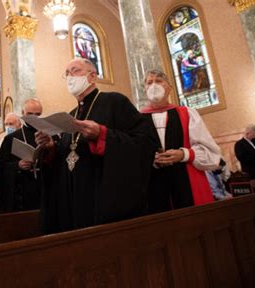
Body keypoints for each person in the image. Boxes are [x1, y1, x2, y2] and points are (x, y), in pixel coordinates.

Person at [35, 58, 157, 233]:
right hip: (73, 203)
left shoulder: (115, 102)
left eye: (75, 71)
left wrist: (103, 135)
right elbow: (67, 158)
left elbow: (145, 143)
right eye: (67, 73)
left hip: (104, 200)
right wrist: (51, 148)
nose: (70, 77)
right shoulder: (70, 115)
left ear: (92, 76)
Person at [141, 70, 221, 214]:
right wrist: (148, 159)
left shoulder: (187, 113)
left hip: (188, 183)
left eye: (159, 81)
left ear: (169, 88)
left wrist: (184, 154)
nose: (154, 85)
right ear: (145, 89)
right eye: (149, 82)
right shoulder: (136, 119)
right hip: (152, 187)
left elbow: (211, 154)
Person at [0, 98, 46, 212]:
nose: (33, 117)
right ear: (23, 114)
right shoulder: (11, 139)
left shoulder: (47, 136)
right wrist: (17, 165)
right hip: (21, 194)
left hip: (44, 190)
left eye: (37, 114)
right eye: (30, 114)